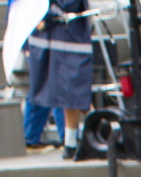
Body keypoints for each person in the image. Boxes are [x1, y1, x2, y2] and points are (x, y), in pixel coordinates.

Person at [27, 0, 93, 157]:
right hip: (52, 39)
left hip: (66, 37)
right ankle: (69, 140)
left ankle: (72, 140)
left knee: (71, 92)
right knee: (60, 91)